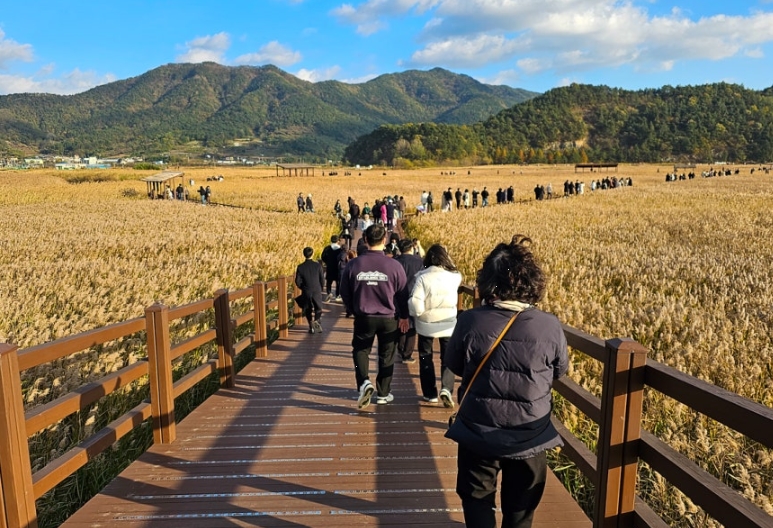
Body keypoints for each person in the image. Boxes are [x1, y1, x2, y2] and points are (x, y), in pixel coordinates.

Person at [445, 235, 569, 528]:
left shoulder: (470, 320)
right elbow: (560, 371)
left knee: (476, 498)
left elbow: (454, 364)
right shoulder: (549, 325)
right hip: (530, 432)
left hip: (479, 427)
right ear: (532, 281)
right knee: (520, 508)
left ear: (489, 281)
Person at [340, 224, 408, 409]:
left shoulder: (354, 264)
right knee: (387, 354)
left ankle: (364, 383)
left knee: (360, 350)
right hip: (389, 317)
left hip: (364, 316)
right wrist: (404, 316)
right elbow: (403, 294)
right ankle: (384, 393)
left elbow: (344, 291)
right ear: (384, 239)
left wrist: (353, 309)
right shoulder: (394, 265)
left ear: (365, 240)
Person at [409, 245, 462, 405]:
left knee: (425, 356)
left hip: (426, 324)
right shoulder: (454, 278)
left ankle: (430, 393)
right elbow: (455, 269)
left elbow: (416, 302)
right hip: (448, 324)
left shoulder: (422, 278)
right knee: (448, 357)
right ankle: (446, 388)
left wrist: (416, 313)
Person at [395, 239, 423, 363]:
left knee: (400, 320)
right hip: (413, 294)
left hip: (397, 295)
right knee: (412, 325)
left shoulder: (395, 261)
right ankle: (407, 354)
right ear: (412, 248)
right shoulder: (419, 261)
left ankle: (400, 348)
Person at [294, 246, 324, 334]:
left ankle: (311, 325)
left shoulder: (300, 267)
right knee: (318, 308)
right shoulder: (318, 266)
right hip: (316, 289)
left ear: (304, 254)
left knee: (308, 309)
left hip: (306, 290)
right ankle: (316, 321)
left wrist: (303, 287)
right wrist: (321, 288)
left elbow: (297, 281)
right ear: (312, 254)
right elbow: (322, 279)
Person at [321, 235, 343, 301]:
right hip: (337, 267)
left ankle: (329, 293)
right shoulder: (340, 249)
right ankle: (337, 295)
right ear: (338, 241)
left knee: (329, 281)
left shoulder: (327, 248)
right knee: (338, 282)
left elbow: (323, 257)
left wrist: (327, 262)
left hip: (330, 267)